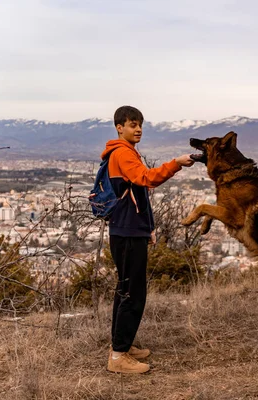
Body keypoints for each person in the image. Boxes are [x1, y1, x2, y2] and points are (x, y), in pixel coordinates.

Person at [102, 105, 195, 373]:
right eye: (132, 124)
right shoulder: (122, 153)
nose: (138, 128)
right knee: (133, 292)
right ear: (119, 127)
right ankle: (119, 356)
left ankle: (123, 344)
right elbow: (147, 179)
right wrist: (176, 164)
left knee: (125, 288)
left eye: (140, 124)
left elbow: (137, 194)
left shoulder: (125, 152)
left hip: (129, 228)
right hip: (127, 231)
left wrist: (148, 227)